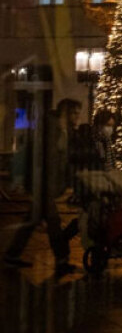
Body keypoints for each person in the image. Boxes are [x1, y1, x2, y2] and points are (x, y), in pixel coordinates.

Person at [3, 98, 80, 276]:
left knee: (31, 222)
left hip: (45, 186)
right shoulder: (51, 130)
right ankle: (62, 260)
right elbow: (47, 162)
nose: (78, 117)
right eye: (75, 113)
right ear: (66, 112)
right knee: (53, 223)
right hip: (43, 185)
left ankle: (12, 255)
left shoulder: (62, 130)